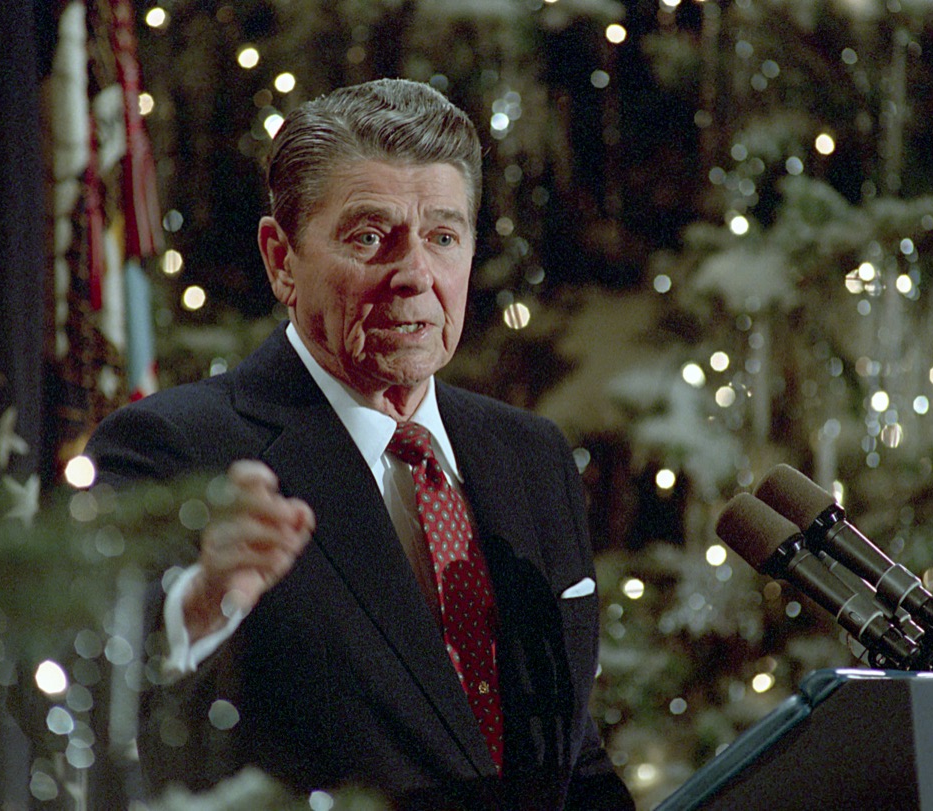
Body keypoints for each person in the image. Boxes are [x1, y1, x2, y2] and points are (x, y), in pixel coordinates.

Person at [86, 78, 634, 810]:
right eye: (369, 237)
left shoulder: (530, 454)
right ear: (282, 259)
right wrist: (201, 600)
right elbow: (84, 690)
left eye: (443, 236)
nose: (414, 275)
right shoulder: (174, 447)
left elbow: (570, 752)